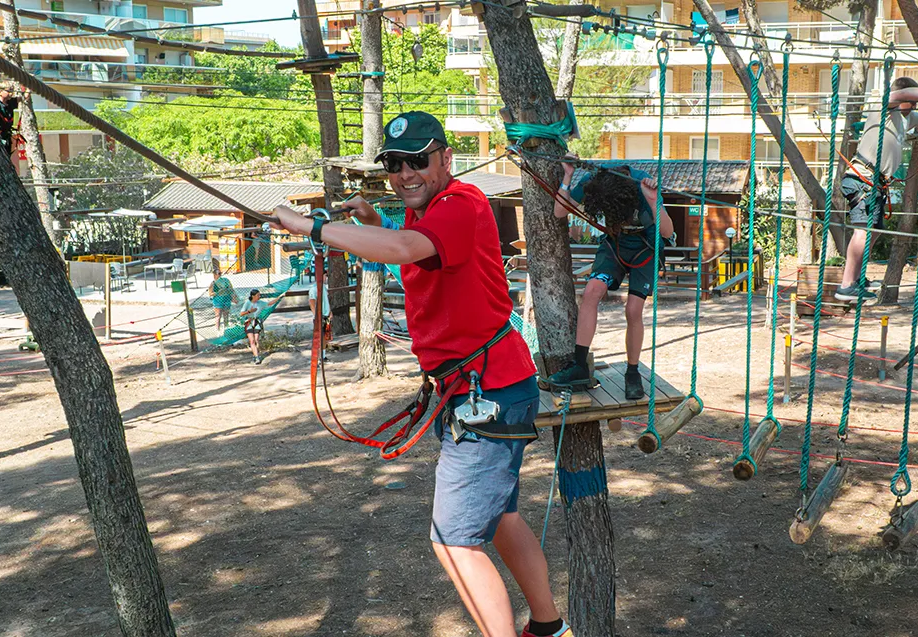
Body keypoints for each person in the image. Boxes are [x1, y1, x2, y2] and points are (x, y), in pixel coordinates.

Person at [271, 111, 571, 637]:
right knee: (499, 517)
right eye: (394, 164)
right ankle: (549, 629)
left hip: (487, 391)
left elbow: (408, 251)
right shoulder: (430, 212)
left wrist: (315, 226)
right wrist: (372, 224)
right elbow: (415, 254)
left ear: (446, 159)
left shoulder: (460, 203)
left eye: (417, 161)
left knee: (454, 539)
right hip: (485, 385)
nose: (405, 173)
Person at [546, 161, 675, 400]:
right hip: (615, 245)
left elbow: (667, 232)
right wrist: (568, 176)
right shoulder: (595, 183)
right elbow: (559, 211)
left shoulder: (642, 184)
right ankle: (580, 365)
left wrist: (654, 199)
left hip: (645, 248)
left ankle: (632, 372)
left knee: (633, 310)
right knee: (591, 292)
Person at [835, 77, 918, 301]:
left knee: (874, 232)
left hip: (874, 183)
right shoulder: (885, 107)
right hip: (861, 178)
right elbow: (905, 95)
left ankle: (856, 278)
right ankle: (846, 285)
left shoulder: (907, 118)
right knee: (863, 231)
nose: (914, 106)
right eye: (912, 101)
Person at [239, 288, 285, 365]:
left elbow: (270, 303)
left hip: (257, 321)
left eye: (259, 295)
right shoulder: (247, 303)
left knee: (257, 339)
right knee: (252, 340)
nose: (259, 297)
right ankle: (257, 357)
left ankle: (255, 355)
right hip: (249, 322)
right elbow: (241, 313)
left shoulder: (260, 303)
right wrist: (249, 311)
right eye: (257, 295)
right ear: (253, 296)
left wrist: (279, 297)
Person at [0, 83, 21, 156]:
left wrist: (28, 85)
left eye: (12, 92)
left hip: (7, 135)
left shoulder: (11, 102)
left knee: (7, 155)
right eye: (8, 91)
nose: (11, 94)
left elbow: (24, 97)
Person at [208, 263, 237, 330]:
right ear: (214, 275)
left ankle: (226, 328)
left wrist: (234, 297)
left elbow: (231, 289)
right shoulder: (213, 283)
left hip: (226, 299)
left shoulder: (226, 280)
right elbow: (210, 294)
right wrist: (217, 292)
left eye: (220, 273)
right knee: (218, 316)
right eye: (218, 274)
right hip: (218, 300)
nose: (218, 275)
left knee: (226, 316)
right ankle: (217, 329)